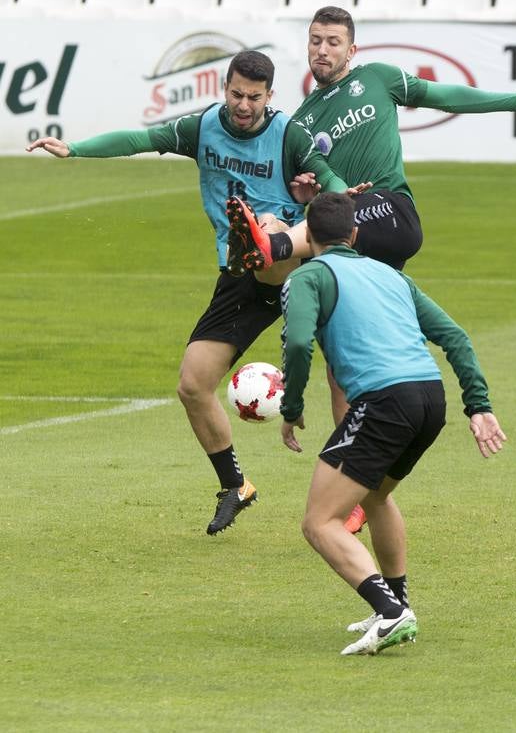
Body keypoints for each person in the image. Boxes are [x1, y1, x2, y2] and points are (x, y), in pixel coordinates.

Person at [226, 4, 516, 532]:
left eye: (334, 41)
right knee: (340, 367)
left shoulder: (376, 79)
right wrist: (303, 191)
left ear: (352, 49)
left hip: (389, 212)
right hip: (347, 243)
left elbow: (444, 94)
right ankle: (355, 483)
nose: (323, 49)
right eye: (315, 40)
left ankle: (272, 251)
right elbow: (308, 190)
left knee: (284, 240)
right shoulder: (303, 119)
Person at [26, 50, 358, 536]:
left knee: (341, 372)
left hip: (295, 263)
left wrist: (342, 195)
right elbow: (141, 138)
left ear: (271, 96)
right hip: (238, 274)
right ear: (224, 88)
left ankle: (264, 238)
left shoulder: (288, 133)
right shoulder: (202, 128)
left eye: (254, 97)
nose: (244, 105)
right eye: (236, 94)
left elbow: (327, 179)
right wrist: (75, 148)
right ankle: (236, 486)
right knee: (193, 384)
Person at [278, 191, 507, 655]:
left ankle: (391, 613)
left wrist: (292, 406)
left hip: (383, 402)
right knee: (377, 495)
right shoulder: (389, 274)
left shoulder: (306, 277)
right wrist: (478, 405)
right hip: (430, 398)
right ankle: (396, 601)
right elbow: (455, 338)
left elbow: (300, 342)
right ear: (356, 233)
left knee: (321, 522)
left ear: (307, 234)